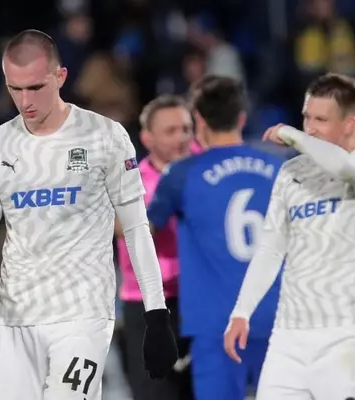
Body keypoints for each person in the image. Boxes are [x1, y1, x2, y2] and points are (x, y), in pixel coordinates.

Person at [0, 29, 178, 400]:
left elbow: (137, 228)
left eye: (35, 87)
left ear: (60, 76)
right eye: (15, 89)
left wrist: (156, 314)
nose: (25, 101)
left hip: (82, 316)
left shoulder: (104, 136)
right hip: (16, 319)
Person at [224, 73, 355, 399]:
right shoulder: (291, 173)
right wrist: (242, 311)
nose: (310, 128)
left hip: (347, 339)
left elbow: (344, 168)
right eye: (306, 117)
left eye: (321, 120)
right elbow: (271, 249)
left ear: (348, 124)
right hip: (288, 338)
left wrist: (291, 134)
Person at [147, 76, 284, 400]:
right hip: (279, 315)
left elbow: (143, 229)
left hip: (216, 323)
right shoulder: (280, 169)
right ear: (242, 118)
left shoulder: (183, 174)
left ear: (199, 119)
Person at [115, 94, 194, 400]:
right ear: (147, 138)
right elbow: (114, 226)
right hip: (147, 305)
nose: (181, 138)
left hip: (197, 299)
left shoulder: (205, 171)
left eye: (186, 129)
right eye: (170, 131)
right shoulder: (129, 179)